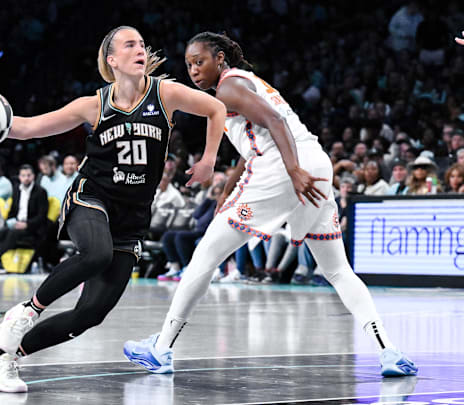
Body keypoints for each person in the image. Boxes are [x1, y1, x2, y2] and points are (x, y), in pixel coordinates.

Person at [124, 31, 416, 378]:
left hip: (283, 167)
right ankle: (389, 352)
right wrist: (226, 195)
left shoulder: (229, 87)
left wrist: (292, 170)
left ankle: (162, 348)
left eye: (199, 62)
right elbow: (247, 153)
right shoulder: (245, 84)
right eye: (188, 65)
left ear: (220, 58)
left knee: (205, 255)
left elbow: (275, 124)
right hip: (316, 167)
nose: (194, 71)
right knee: (338, 270)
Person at [0, 26, 227, 393]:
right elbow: (28, 127)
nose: (140, 49)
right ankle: (26, 311)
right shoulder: (94, 105)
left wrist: (209, 159)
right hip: (91, 197)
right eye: (130, 44)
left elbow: (216, 107)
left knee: (90, 314)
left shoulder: (166, 94)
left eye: (142, 44)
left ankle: (4, 358)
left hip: (132, 217)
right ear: (112, 60)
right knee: (95, 253)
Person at [0, 164, 47, 273]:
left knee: (13, 233)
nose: (26, 178)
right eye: (23, 175)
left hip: (32, 227)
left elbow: (41, 216)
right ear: (20, 177)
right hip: (16, 223)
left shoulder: (40, 192)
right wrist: (10, 222)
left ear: (33, 176)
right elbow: (12, 211)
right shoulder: (16, 190)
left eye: (28, 175)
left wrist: (27, 224)